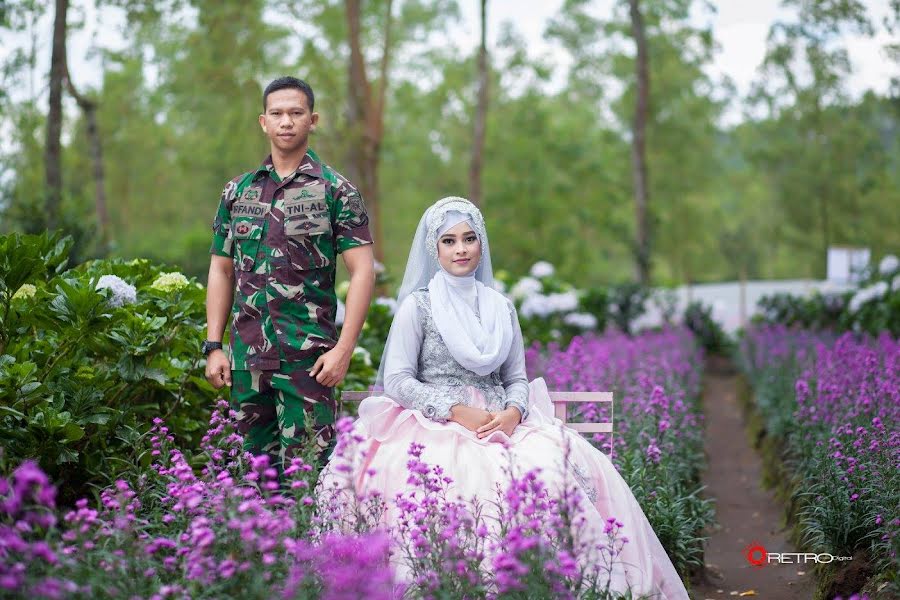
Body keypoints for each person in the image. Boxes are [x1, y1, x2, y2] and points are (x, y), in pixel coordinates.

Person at [320, 197, 689, 598]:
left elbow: (516, 376)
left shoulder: (501, 307)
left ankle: (553, 583)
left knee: (549, 470)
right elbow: (397, 379)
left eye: (469, 238)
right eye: (448, 241)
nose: (460, 249)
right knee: (445, 483)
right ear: (435, 248)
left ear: (481, 244)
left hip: (503, 422)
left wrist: (514, 411)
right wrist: (455, 411)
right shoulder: (418, 306)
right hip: (435, 422)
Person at [204, 76, 375, 470]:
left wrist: (343, 350)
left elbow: (362, 271)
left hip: (310, 362)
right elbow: (221, 269)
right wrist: (214, 346)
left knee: (309, 479)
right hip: (248, 362)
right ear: (263, 122)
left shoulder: (336, 191)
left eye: (296, 113)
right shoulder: (237, 192)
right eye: (277, 114)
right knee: (252, 478)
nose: (286, 122)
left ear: (312, 120)